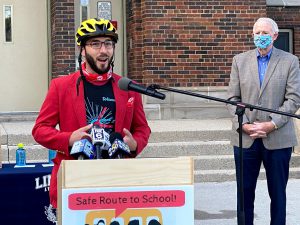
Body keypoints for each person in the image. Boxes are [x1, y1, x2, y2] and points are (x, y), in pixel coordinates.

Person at [32, 18, 151, 209]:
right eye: (95, 44)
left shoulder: (127, 87)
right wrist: (69, 138)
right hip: (74, 181)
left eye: (108, 44)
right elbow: (39, 130)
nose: (103, 50)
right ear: (82, 49)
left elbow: (142, 128)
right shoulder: (61, 86)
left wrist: (136, 143)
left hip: (117, 180)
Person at [227, 17, 300, 225]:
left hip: (277, 138)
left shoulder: (290, 61)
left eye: (265, 33)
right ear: (252, 35)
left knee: (278, 195)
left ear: (275, 36)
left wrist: (271, 124)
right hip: (246, 139)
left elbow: (293, 99)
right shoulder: (239, 61)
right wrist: (244, 125)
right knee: (244, 195)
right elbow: (232, 98)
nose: (260, 37)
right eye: (257, 33)